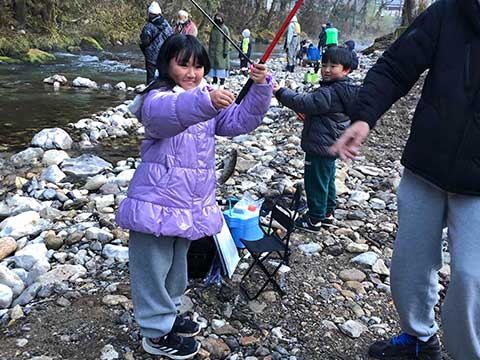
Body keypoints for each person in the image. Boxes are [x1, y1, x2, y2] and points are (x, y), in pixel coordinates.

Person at [330, 0, 480, 358]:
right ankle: (418, 339)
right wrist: (364, 116)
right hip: (425, 166)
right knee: (409, 268)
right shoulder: (448, 12)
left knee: (472, 280)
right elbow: (395, 67)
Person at [115, 34, 272, 359]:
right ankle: (155, 334)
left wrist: (259, 87)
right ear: (166, 65)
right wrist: (206, 100)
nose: (192, 72)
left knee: (175, 268)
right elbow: (168, 115)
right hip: (154, 203)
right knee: (152, 269)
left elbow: (241, 121)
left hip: (187, 204)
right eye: (183, 64)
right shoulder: (155, 97)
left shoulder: (204, 100)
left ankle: (168, 317)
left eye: (198, 65)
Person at [273, 46, 358, 232]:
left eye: (333, 66)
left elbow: (302, 102)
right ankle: (327, 213)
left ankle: (314, 219)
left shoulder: (328, 92)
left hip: (320, 146)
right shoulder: (346, 89)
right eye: (324, 64)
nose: (326, 69)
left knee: (315, 182)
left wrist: (280, 92)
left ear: (346, 70)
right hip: (332, 144)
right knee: (327, 179)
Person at [139, 1, 173, 84]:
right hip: (164, 55)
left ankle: (150, 93)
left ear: (150, 13)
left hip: (151, 56)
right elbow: (171, 37)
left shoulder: (149, 26)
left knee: (151, 77)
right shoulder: (166, 25)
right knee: (163, 76)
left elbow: (145, 40)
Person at [208, 13, 230, 88]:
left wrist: (225, 51)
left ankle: (222, 82)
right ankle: (214, 81)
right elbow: (210, 40)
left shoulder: (225, 29)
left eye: (220, 18)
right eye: (217, 18)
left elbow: (227, 41)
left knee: (221, 67)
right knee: (213, 67)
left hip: (221, 52)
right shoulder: (213, 28)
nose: (218, 19)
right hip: (213, 52)